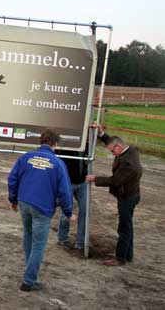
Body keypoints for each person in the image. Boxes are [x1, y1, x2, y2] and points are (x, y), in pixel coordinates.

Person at [8, 129, 75, 292]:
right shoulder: (58, 164)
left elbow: (12, 178)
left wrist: (13, 199)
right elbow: (65, 191)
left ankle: (29, 274)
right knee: (38, 245)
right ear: (56, 143)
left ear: (41, 141)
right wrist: (68, 212)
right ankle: (29, 281)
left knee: (28, 235)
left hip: (24, 202)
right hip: (42, 207)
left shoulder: (26, 157)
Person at [86, 124, 143, 266]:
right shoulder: (130, 150)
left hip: (127, 198)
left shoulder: (129, 164)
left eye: (112, 151)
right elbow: (111, 141)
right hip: (130, 195)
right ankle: (128, 254)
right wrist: (101, 134)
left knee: (124, 228)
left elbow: (115, 181)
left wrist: (95, 179)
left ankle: (120, 258)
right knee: (127, 226)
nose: (112, 154)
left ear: (118, 147)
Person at [56, 147, 89, 251]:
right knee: (67, 208)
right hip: (68, 182)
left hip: (82, 182)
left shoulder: (87, 144)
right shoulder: (70, 142)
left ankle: (81, 242)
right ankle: (63, 238)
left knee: (85, 210)